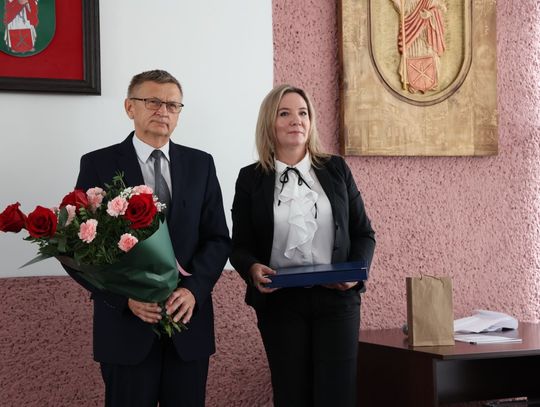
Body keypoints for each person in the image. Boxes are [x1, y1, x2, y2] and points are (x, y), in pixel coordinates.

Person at [67, 69, 231, 406]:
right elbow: (78, 247)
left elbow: (217, 239)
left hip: (187, 324)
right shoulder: (97, 164)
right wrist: (124, 300)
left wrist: (194, 290)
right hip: (126, 329)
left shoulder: (201, 164)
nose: (163, 111)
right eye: (153, 102)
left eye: (172, 105)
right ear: (130, 107)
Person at [230, 84, 376, 407]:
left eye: (303, 113)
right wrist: (252, 268)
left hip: (337, 301)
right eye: (284, 113)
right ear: (269, 123)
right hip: (280, 304)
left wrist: (355, 274)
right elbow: (239, 245)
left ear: (311, 122)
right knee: (291, 395)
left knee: (337, 397)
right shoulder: (250, 178)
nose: (296, 120)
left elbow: (364, 233)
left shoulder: (336, 169)